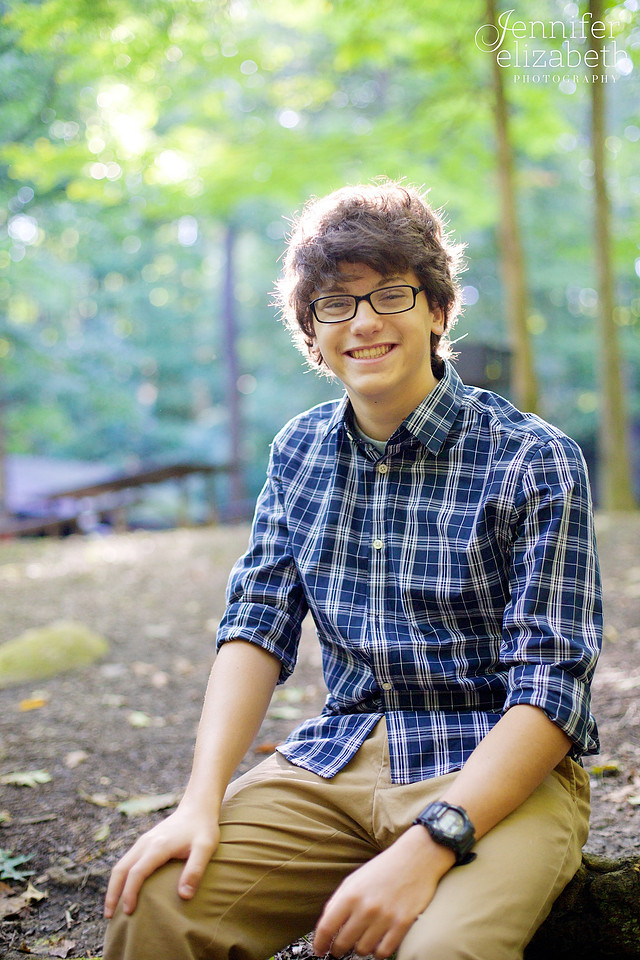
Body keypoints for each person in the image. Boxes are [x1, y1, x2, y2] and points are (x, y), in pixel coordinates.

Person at [103, 180, 602, 960]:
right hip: (337, 759)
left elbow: (550, 688)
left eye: (390, 295)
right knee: (155, 905)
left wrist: (427, 845)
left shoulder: (535, 458)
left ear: (437, 310)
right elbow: (255, 628)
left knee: (438, 952)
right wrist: (199, 802)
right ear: (313, 330)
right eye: (336, 303)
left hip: (502, 776)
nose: (363, 322)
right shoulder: (298, 452)